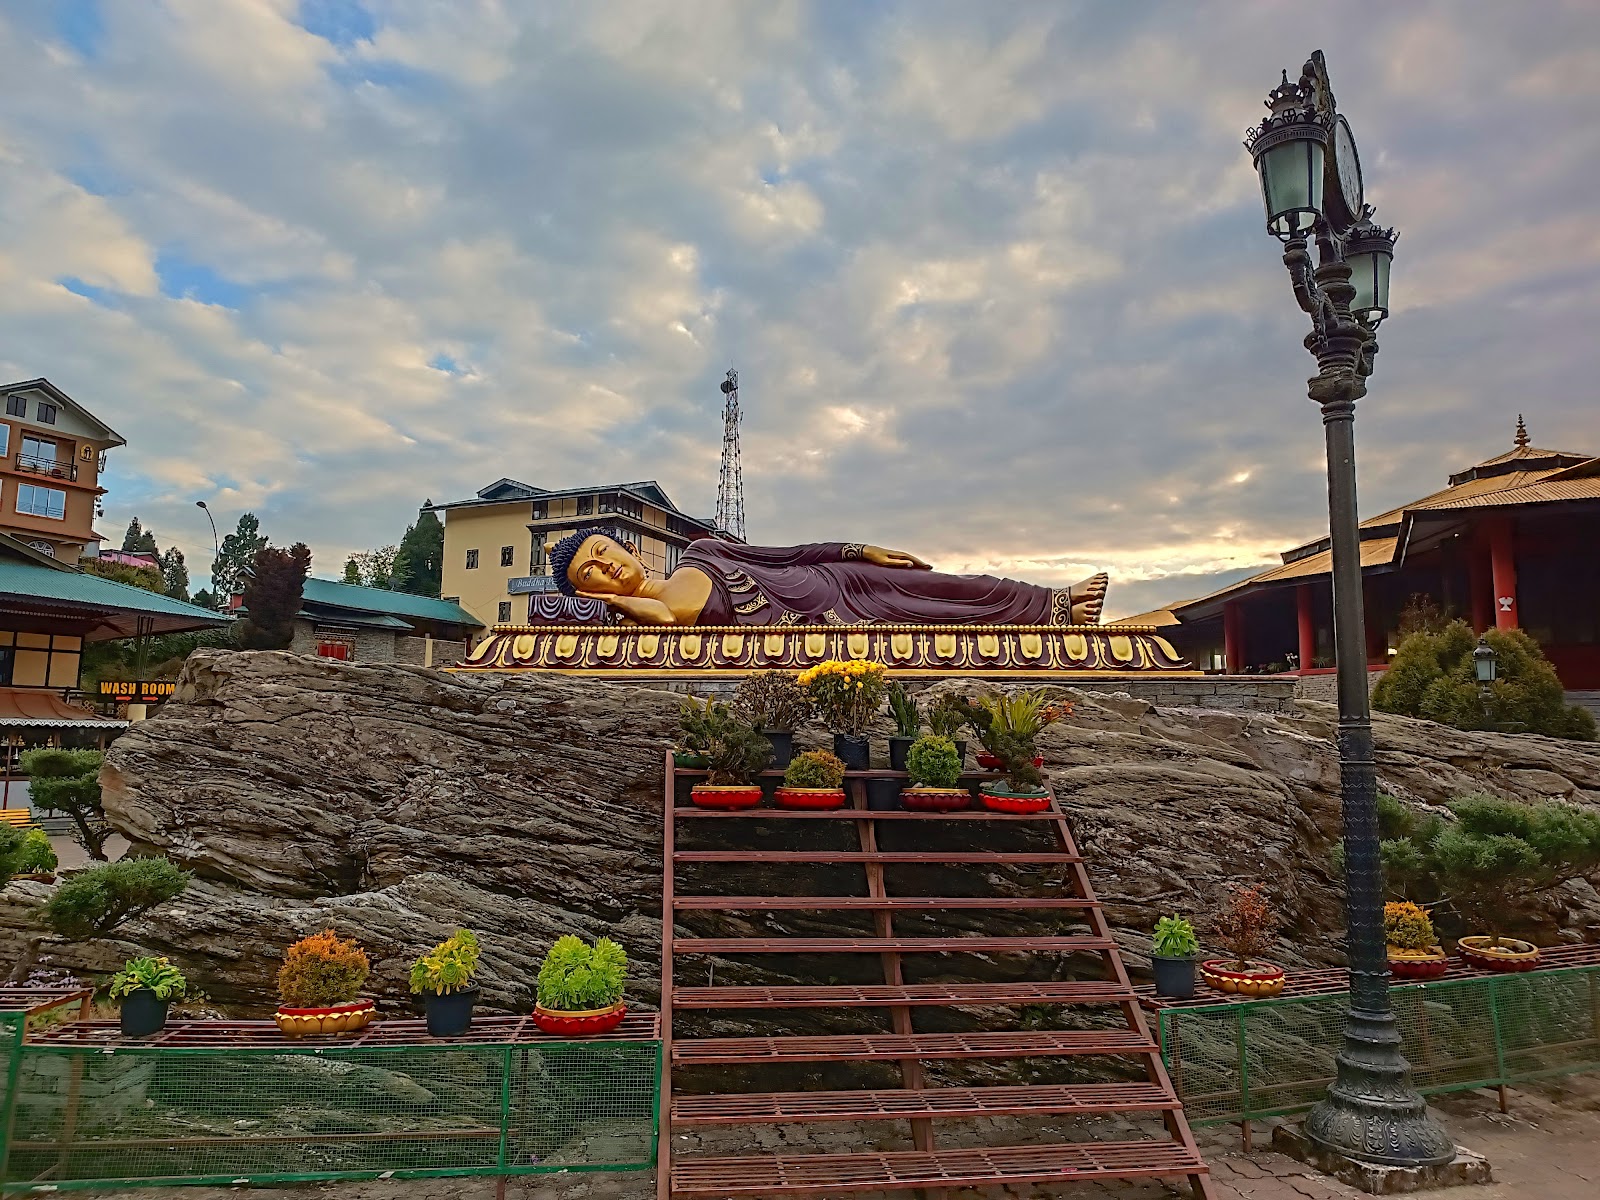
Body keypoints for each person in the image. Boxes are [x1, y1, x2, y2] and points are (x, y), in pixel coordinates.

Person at [545, 526, 1109, 627]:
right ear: (592, 590)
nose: (604, 564)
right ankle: (1051, 611)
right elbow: (666, 618)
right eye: (590, 573)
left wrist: (859, 547)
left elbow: (781, 554)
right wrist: (615, 605)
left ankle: (1053, 603)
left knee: (952, 586)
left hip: (829, 579)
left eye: (599, 549)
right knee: (938, 618)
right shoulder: (653, 610)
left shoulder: (701, 549)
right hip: (823, 621)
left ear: (620, 542)